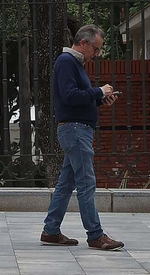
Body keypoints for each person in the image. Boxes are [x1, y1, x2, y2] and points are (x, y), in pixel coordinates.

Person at [41, 25, 125, 251]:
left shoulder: (74, 64)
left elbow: (78, 98)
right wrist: (99, 92)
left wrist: (100, 100)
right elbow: (69, 96)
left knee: (66, 184)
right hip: (76, 131)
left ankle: (51, 230)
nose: (97, 55)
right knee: (86, 183)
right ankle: (95, 235)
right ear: (84, 43)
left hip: (77, 129)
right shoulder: (67, 62)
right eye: (95, 49)